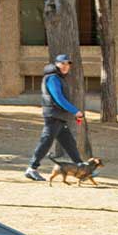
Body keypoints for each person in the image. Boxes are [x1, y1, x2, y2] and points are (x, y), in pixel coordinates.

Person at [24, 53, 84, 181]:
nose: (65, 66)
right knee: (46, 142)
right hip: (53, 116)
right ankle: (31, 169)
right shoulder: (52, 78)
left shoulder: (59, 77)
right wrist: (75, 111)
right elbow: (59, 98)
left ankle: (82, 169)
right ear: (56, 64)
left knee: (69, 143)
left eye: (67, 64)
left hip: (59, 116)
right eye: (62, 63)